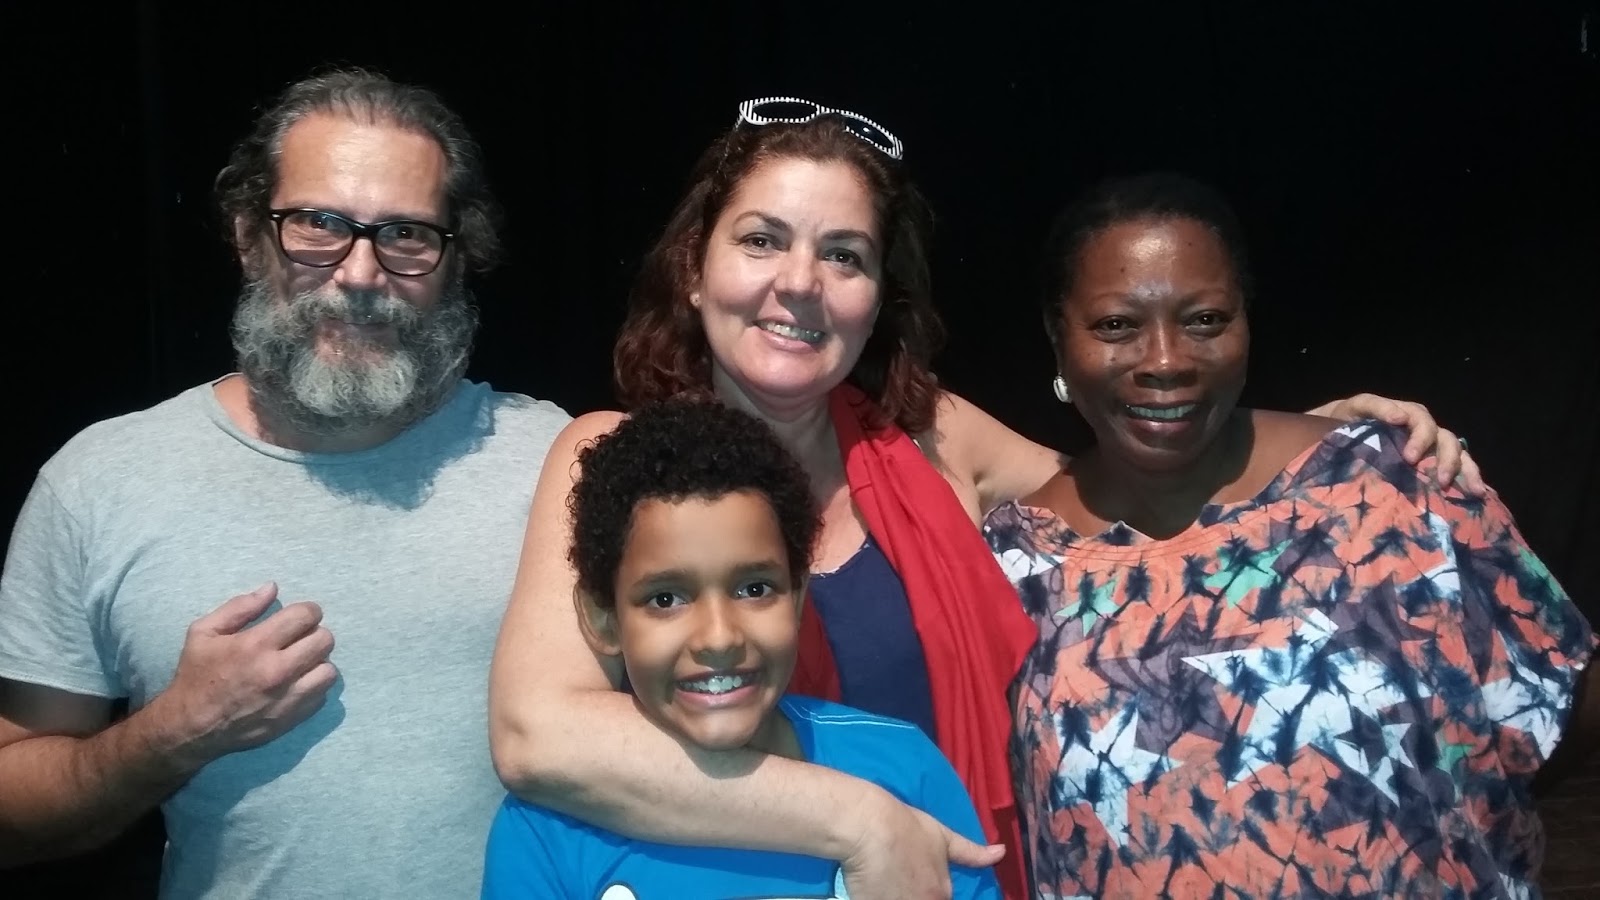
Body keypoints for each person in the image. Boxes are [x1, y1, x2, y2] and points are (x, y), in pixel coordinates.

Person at [487, 97, 1480, 900]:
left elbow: (1141, 489)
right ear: (694, 271)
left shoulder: (929, 438)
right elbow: (538, 738)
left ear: (877, 298)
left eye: (844, 254)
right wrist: (866, 822)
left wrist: (1297, 441)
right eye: (761, 240)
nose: (800, 283)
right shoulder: (610, 462)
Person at [0, 69, 571, 897]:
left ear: (456, 259)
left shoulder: (558, 463)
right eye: (318, 224)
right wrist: (171, 733)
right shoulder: (98, 482)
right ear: (247, 235)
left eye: (407, 234)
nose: (361, 272)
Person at [984, 171, 1596, 898]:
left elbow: (1560, 704)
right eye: (1116, 325)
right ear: (1057, 338)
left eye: (1205, 319)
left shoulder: (1389, 490)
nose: (1166, 360)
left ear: (1246, 324)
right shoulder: (1012, 569)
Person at [481, 397, 1001, 899]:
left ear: (797, 598)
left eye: (754, 589)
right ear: (603, 619)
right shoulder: (546, 830)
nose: (719, 637)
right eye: (665, 599)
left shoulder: (907, 771)